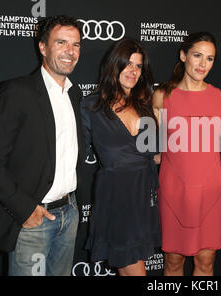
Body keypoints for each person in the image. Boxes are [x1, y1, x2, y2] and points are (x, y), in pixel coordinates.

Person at [0, 15, 84, 276]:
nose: (70, 51)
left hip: (68, 214)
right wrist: (24, 210)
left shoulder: (74, 93)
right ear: (43, 47)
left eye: (76, 45)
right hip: (33, 221)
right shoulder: (15, 92)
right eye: (61, 43)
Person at [81, 37, 161, 276]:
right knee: (133, 265)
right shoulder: (91, 106)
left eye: (138, 66)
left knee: (130, 265)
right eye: (127, 64)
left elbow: (156, 155)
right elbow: (75, 153)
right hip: (117, 194)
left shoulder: (146, 104)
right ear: (114, 65)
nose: (133, 71)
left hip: (145, 192)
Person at [153, 32, 221, 276]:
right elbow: (154, 146)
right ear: (183, 55)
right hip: (174, 191)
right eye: (197, 56)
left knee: (206, 264)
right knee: (173, 264)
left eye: (209, 58)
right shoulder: (162, 97)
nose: (203, 64)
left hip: (210, 192)